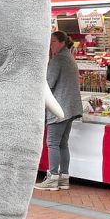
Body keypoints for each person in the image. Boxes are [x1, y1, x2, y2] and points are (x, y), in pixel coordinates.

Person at [34, 31, 83, 191]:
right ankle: (64, 177)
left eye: (53, 41)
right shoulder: (69, 57)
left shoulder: (58, 60)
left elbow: (48, 84)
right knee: (63, 144)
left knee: (53, 143)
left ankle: (53, 177)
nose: (51, 45)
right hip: (70, 107)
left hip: (59, 107)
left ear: (62, 42)